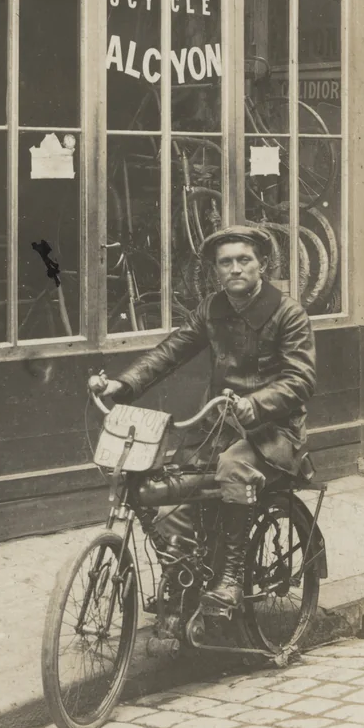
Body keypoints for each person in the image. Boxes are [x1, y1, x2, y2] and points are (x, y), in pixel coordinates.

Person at [91, 225, 316, 638]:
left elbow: (300, 379)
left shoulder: (288, 313)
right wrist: (122, 386)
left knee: (233, 468)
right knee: (169, 490)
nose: (235, 269)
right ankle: (181, 581)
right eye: (225, 262)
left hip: (274, 433)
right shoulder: (213, 309)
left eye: (243, 260)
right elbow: (169, 352)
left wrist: (256, 404)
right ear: (215, 271)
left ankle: (228, 579)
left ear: (261, 264)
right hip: (218, 428)